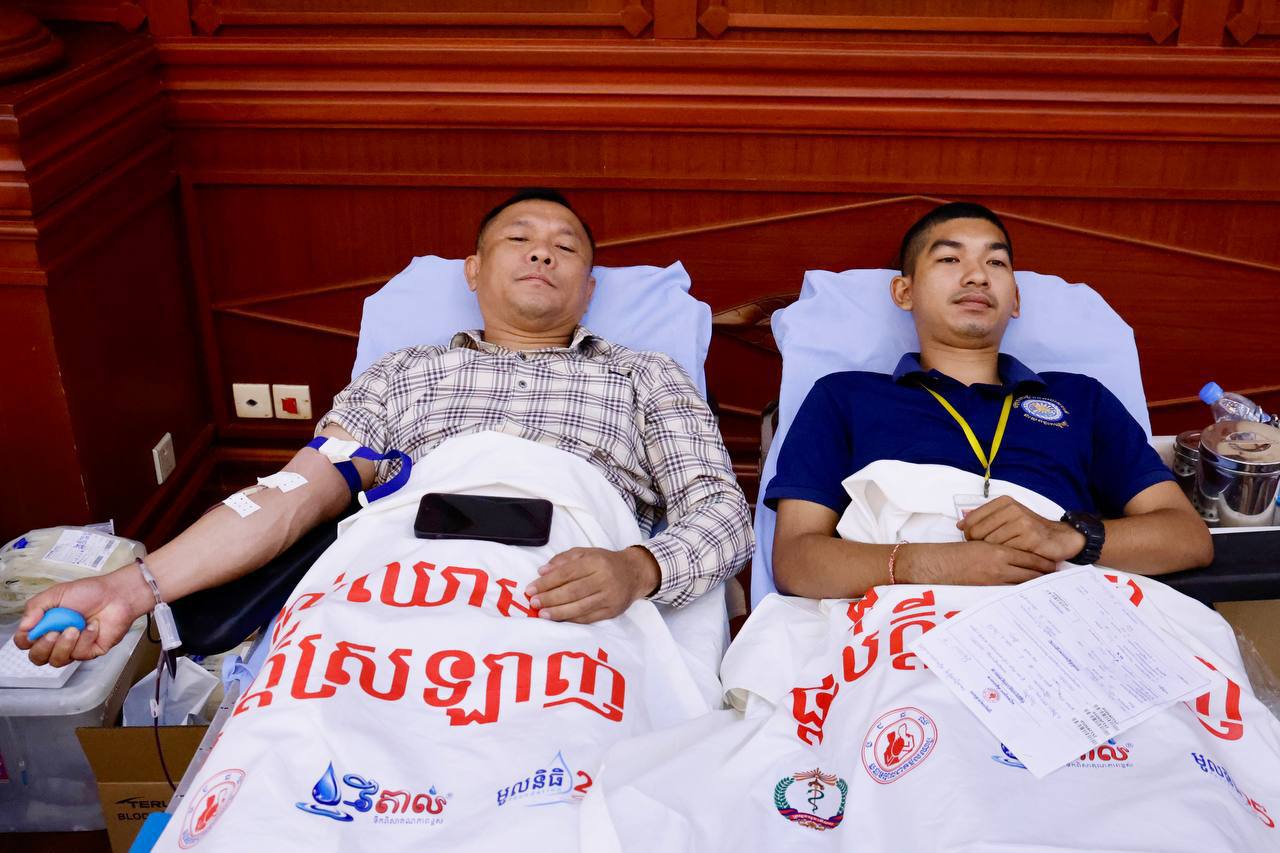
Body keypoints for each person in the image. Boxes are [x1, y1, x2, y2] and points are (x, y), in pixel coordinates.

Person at [20, 187, 753, 666]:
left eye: (566, 248)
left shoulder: (645, 375)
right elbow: (291, 495)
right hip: (402, 600)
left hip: (571, 603)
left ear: (588, 289)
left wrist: (639, 568)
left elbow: (722, 514)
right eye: (519, 238)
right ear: (473, 270)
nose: (542, 251)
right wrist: (134, 588)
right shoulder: (403, 373)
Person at [767, 201, 1212, 599]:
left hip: (1059, 608)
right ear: (904, 292)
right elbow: (796, 560)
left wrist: (1069, 538)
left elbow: (1187, 538)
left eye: (995, 262)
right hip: (899, 616)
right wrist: (933, 564)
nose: (977, 275)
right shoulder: (844, 397)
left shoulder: (1081, 398)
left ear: (1015, 299)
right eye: (949, 258)